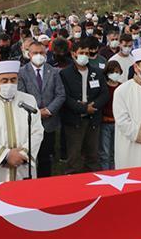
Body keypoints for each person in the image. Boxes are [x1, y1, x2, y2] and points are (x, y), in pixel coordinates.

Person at [0, 60, 44, 183]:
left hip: (23, 165)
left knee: (25, 199)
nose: (9, 84)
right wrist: (5, 156)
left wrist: (23, 155)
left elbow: (37, 131)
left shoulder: (29, 100)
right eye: (4, 80)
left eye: (13, 80)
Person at [60, 39, 109, 174]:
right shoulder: (65, 74)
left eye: (87, 53)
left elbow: (104, 94)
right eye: (81, 53)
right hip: (74, 120)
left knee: (93, 153)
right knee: (74, 155)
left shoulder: (97, 73)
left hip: (93, 119)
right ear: (73, 54)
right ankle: (73, 180)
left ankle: (93, 179)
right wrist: (82, 108)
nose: (84, 56)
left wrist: (94, 105)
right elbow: (65, 97)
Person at [17, 41, 65, 177]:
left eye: (41, 53)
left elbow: (60, 94)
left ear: (46, 53)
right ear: (29, 54)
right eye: (35, 53)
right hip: (29, 122)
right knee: (28, 156)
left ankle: (44, 184)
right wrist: (37, 113)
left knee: (45, 158)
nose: (39, 55)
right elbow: (21, 96)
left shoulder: (54, 72)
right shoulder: (21, 73)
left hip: (49, 122)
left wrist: (49, 110)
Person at [99, 61, 122, 169]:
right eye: (112, 72)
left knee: (115, 150)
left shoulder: (122, 87)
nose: (115, 74)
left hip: (118, 124)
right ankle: (105, 172)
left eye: (117, 72)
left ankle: (114, 171)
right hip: (105, 123)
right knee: (105, 151)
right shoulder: (103, 87)